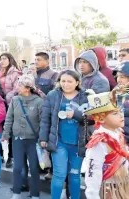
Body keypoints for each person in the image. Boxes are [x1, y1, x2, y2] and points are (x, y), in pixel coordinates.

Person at [39, 70, 88, 199]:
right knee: (59, 175)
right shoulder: (53, 95)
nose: (66, 84)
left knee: (75, 175)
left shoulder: (85, 96)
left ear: (77, 82)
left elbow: (93, 119)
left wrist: (76, 115)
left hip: (78, 143)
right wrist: (43, 138)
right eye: (63, 81)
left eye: (70, 81)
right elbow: (45, 118)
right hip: (58, 142)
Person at [2, 75, 43, 199]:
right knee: (17, 167)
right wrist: (5, 134)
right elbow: (9, 118)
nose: (17, 87)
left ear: (27, 88)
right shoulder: (15, 100)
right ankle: (16, 192)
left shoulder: (38, 101)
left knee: (34, 167)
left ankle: (35, 193)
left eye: (20, 85)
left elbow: (43, 122)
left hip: (33, 140)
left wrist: (42, 139)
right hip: (17, 139)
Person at [84, 90, 129, 199]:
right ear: (101, 118)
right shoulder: (99, 142)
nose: (121, 115)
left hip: (124, 185)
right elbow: (93, 172)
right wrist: (93, 195)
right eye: (115, 113)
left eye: (120, 111)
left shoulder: (118, 132)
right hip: (110, 190)